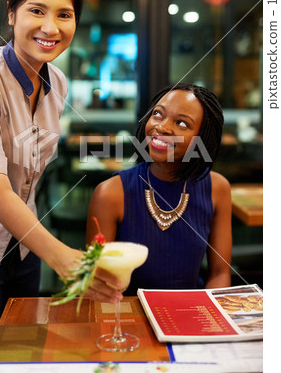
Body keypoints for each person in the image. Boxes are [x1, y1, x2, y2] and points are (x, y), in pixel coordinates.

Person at [0, 0, 121, 372]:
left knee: (22, 359)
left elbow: (30, 173)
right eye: (37, 10)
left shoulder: (58, 83)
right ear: (11, 14)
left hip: (24, 249)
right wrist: (63, 258)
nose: (50, 27)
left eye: (64, 14)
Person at [86, 83, 232, 295]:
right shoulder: (110, 193)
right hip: (128, 317)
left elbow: (220, 273)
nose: (162, 127)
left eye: (181, 123)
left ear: (203, 138)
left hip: (191, 312)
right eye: (157, 114)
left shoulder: (217, 188)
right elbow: (96, 281)